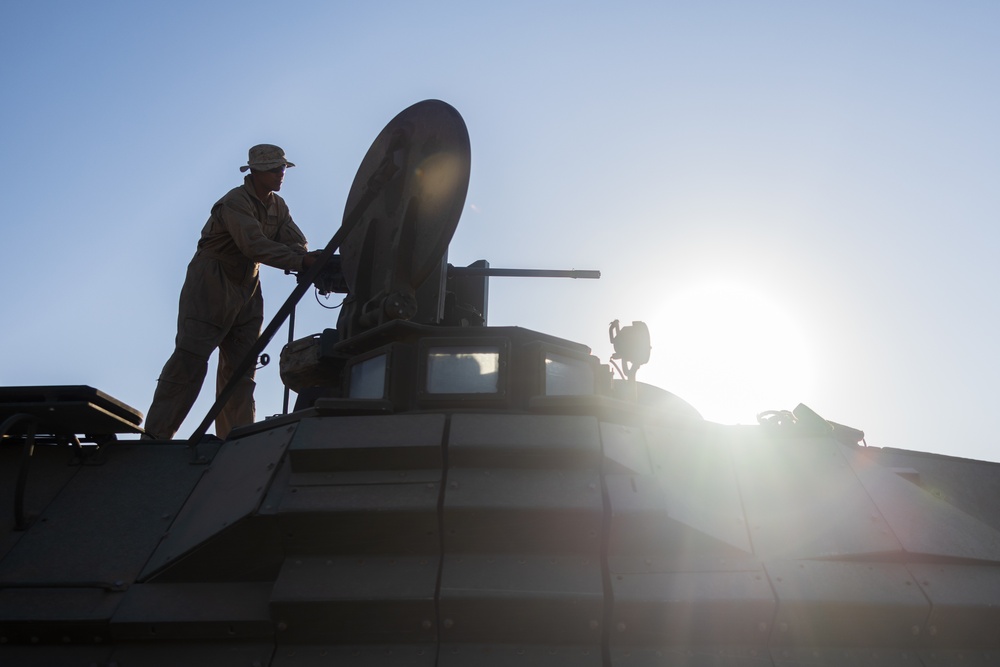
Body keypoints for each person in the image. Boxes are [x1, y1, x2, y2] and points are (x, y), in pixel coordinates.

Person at [144, 144, 321, 440]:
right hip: (211, 282)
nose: (281, 174)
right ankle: (155, 438)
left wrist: (311, 258)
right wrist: (300, 261)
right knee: (190, 361)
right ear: (256, 172)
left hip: (248, 285)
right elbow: (253, 245)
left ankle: (235, 441)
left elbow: (295, 240)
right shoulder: (235, 202)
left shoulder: (278, 206)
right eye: (275, 169)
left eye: (282, 168)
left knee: (241, 371)